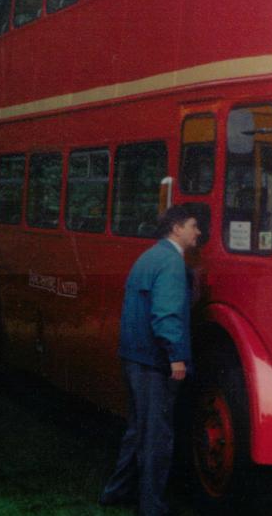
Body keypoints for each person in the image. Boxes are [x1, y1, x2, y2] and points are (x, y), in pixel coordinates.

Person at [100, 205, 201, 515]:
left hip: (134, 357)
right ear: (176, 229)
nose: (198, 233)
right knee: (157, 436)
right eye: (193, 226)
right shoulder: (171, 263)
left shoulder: (150, 257)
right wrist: (177, 358)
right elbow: (165, 315)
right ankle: (151, 506)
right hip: (154, 362)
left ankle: (116, 492)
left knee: (138, 429)